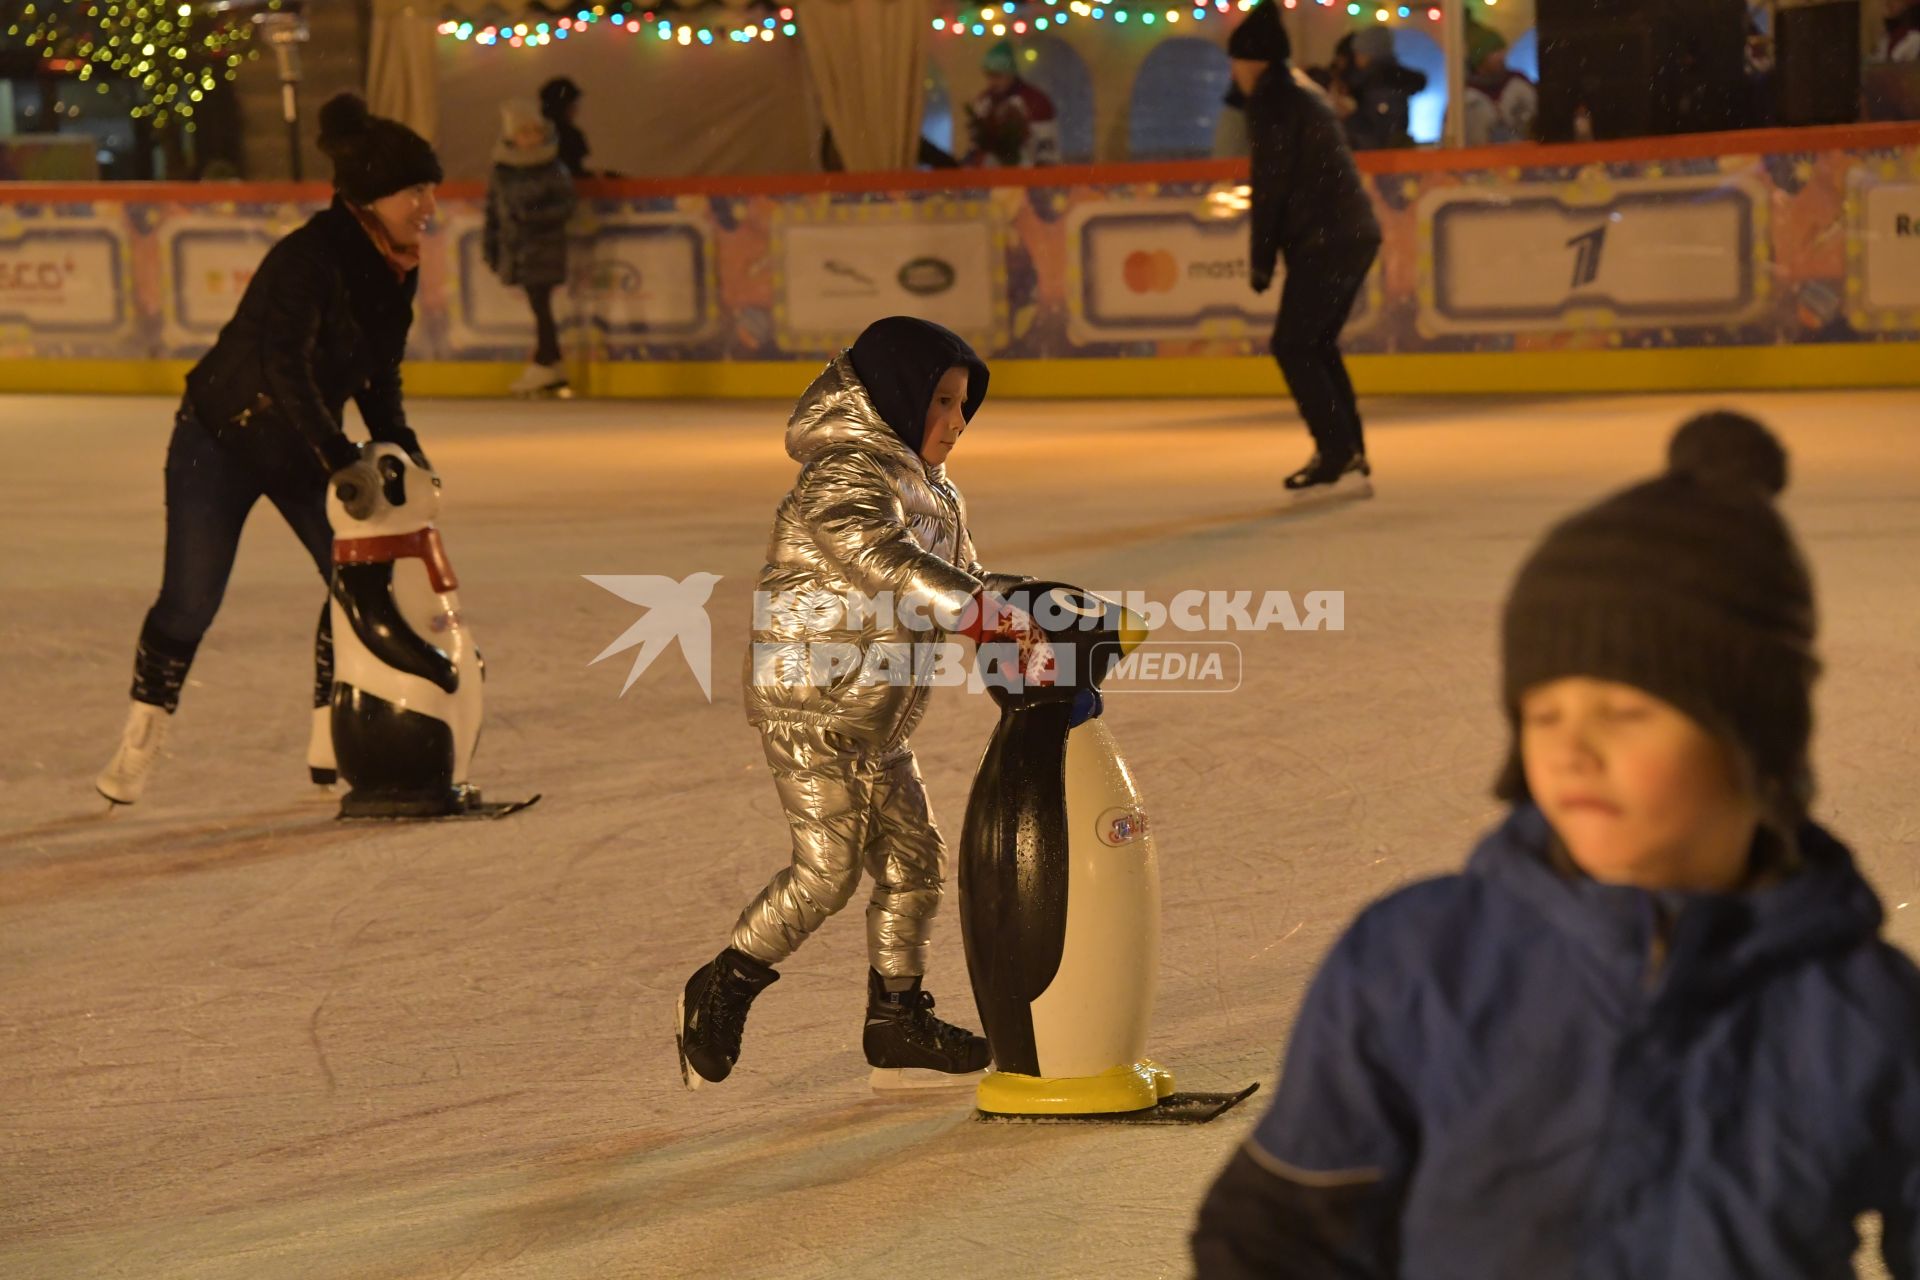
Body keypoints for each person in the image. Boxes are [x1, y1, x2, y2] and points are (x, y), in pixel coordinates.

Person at [1191, 412, 1920, 1278]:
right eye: (1544, 715)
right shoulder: (1417, 963)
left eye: (1625, 713)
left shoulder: (1858, 1008)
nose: (1572, 751)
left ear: (1753, 739)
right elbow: (1274, 1238)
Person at [674, 316, 1049, 1091]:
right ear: (897, 393)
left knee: (915, 861)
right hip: (814, 701)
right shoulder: (845, 471)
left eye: (965, 407)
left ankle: (896, 1018)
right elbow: (881, 556)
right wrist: (981, 613)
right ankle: (725, 980)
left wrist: (1027, 608)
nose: (956, 423)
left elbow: (962, 575)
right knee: (829, 870)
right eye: (941, 401)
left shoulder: (934, 487)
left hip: (874, 713)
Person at [95, 93, 442, 805]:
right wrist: (339, 453)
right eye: (416, 191)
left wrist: (401, 447)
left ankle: (328, 732)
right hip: (220, 434)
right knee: (190, 601)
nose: (429, 205)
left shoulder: (397, 265)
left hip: (303, 446)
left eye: (429, 189)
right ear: (373, 195)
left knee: (351, 582)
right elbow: (283, 363)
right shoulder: (308, 258)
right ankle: (143, 733)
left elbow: (378, 374)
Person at [1232, 0, 1382, 499]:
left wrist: (1261, 257)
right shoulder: (1300, 92)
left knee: (1295, 344)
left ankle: (1336, 450)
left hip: (1329, 237)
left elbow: (1271, 182)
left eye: (1237, 62)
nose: (1235, 72)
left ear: (1254, 61)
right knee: (1314, 343)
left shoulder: (1275, 99)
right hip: (1347, 233)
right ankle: (1347, 447)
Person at [485, 97, 577, 398]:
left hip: (544, 248)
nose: (531, 139)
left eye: (535, 132)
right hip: (517, 249)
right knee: (538, 306)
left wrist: (532, 216)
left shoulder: (553, 168)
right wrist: (492, 247)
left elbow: (565, 206)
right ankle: (549, 361)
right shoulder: (502, 171)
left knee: (541, 305)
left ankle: (546, 361)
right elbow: (494, 212)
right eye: (524, 133)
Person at [964, 41, 1060, 167]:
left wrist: (1043, 172)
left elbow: (1046, 145)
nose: (993, 81)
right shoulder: (984, 102)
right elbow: (976, 145)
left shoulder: (1035, 101)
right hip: (992, 175)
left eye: (998, 75)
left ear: (1011, 73)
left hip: (1027, 174)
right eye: (990, 75)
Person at [1342, 27, 1427, 151]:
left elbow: (1378, 133)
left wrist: (1348, 119)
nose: (1356, 59)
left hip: (1377, 159)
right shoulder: (1381, 83)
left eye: (1359, 53)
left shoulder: (1377, 86)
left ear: (1370, 53)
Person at [1462, 25, 1538, 146]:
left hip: (1520, 158)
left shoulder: (1519, 85)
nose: (1501, 56)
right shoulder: (1465, 97)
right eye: (1494, 51)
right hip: (1478, 161)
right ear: (1480, 59)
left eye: (1501, 50)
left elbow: (1535, 125)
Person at [538, 76, 594, 177]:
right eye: (573, 104)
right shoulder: (571, 135)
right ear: (566, 106)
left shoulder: (530, 135)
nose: (576, 108)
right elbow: (576, 173)